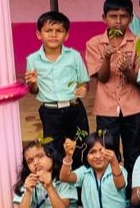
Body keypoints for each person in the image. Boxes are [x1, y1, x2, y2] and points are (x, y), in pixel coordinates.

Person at [85, 0, 140, 178]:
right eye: (113, 16)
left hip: (133, 107)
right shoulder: (94, 44)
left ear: (131, 18)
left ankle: (132, 189)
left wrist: (127, 70)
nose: (118, 21)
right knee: (108, 152)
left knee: (133, 152)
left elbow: (139, 79)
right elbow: (102, 78)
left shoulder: (139, 43)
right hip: (106, 108)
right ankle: (113, 189)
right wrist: (107, 58)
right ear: (104, 18)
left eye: (123, 16)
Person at [24, 11, 90, 164]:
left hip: (74, 109)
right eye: (48, 30)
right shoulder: (33, 60)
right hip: (50, 112)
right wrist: (33, 82)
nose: (53, 35)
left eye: (59, 31)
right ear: (38, 34)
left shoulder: (74, 56)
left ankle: (80, 177)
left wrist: (84, 88)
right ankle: (59, 177)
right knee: (53, 150)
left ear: (66, 35)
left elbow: (84, 81)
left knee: (81, 145)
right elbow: (34, 91)